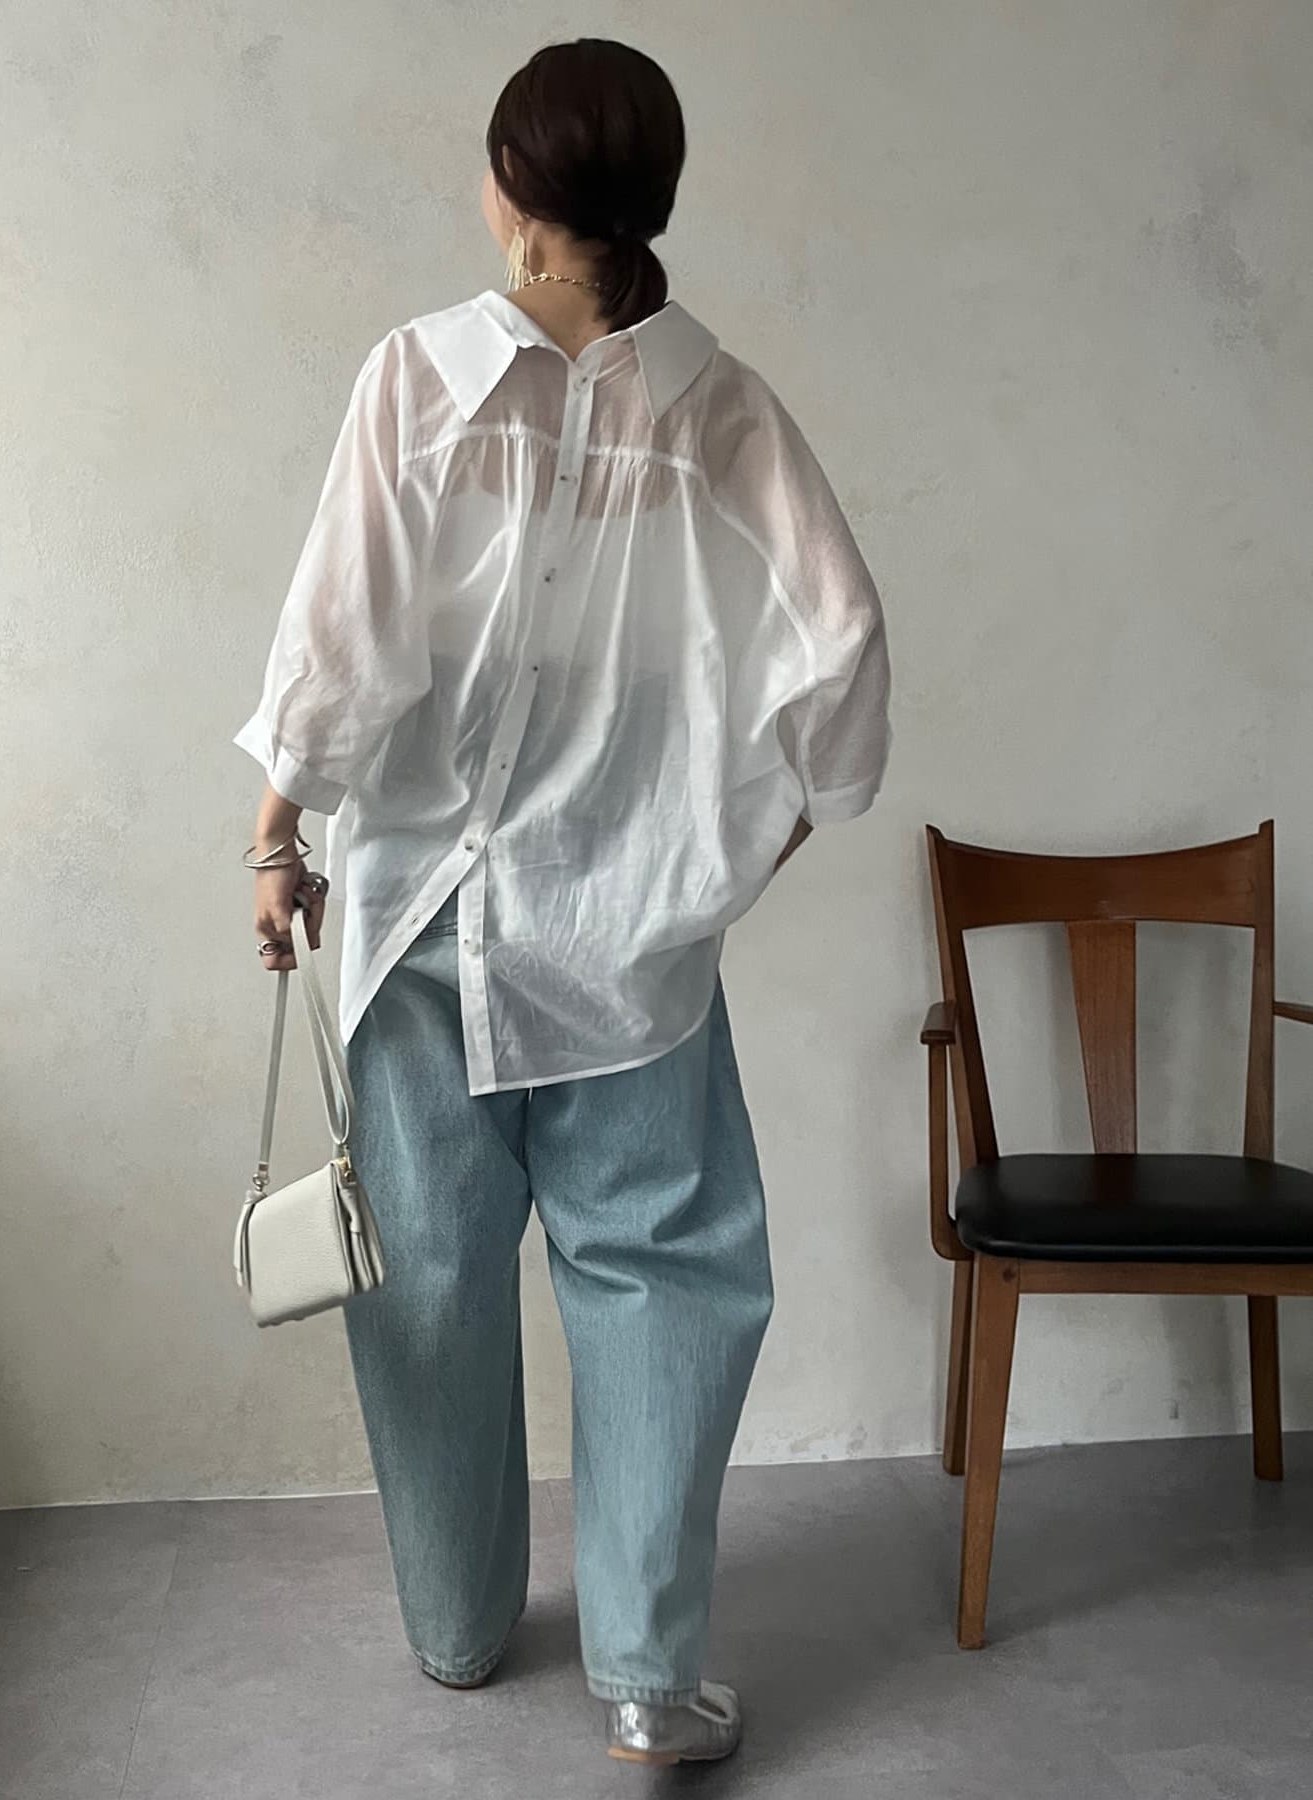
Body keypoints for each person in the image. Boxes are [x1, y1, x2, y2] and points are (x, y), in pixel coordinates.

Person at [235, 37, 890, 1767]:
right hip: (632, 950)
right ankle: (648, 1684)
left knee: (427, 1287)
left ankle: (457, 1629)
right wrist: (720, 865)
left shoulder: (417, 378)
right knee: (663, 1277)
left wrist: (278, 840)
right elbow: (841, 666)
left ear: (523, 203)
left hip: (419, 929)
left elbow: (338, 644)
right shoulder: (724, 408)